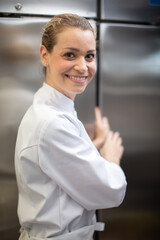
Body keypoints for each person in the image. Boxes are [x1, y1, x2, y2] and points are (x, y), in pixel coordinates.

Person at [15, 13, 127, 240]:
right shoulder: (52, 123)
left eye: (89, 56)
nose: (82, 67)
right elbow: (111, 191)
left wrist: (91, 144)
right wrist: (110, 157)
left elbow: (59, 168)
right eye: (69, 54)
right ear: (44, 55)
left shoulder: (53, 110)